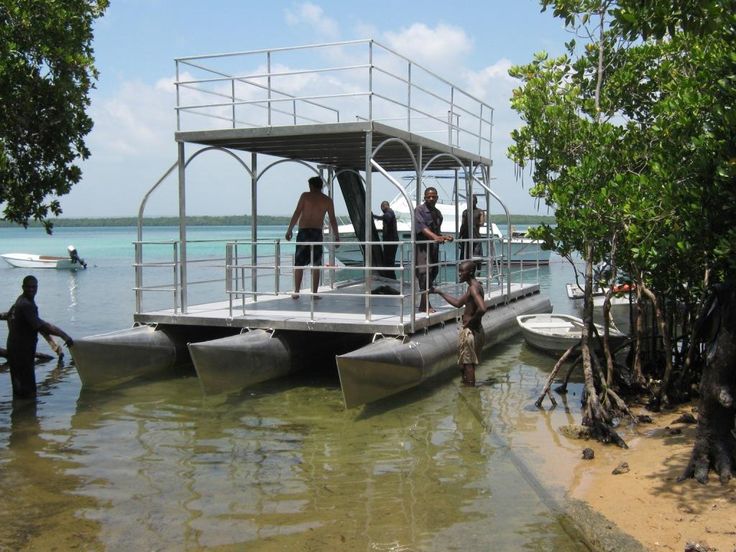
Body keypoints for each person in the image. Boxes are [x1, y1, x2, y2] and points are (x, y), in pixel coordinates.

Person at [5, 275, 74, 398]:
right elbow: (41, 326)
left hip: (17, 348)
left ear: (37, 288)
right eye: (28, 287)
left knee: (20, 386)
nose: (31, 289)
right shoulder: (25, 304)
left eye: (34, 287)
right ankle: (27, 414)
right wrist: (64, 335)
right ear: (23, 287)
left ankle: (20, 414)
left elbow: (17, 318)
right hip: (21, 350)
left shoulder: (21, 301)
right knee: (28, 389)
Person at [430, 261, 487, 386]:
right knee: (464, 365)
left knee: (467, 365)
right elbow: (458, 303)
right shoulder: (475, 286)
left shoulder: (473, 288)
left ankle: (470, 394)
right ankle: (467, 388)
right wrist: (440, 292)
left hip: (470, 332)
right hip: (476, 330)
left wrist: (469, 323)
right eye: (459, 272)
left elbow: (482, 308)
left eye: (462, 272)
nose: (459, 274)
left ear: (470, 272)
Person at [285, 176, 340, 298]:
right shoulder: (327, 200)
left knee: (299, 263)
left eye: (310, 186)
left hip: (304, 232)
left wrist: (289, 229)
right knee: (316, 263)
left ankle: (297, 292)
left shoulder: (305, 196)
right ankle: (314, 293)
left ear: (312, 186)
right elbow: (332, 219)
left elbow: (297, 212)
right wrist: (337, 236)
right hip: (316, 232)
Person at [414, 186, 453, 312]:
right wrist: (435, 237)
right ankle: (424, 304)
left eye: (434, 196)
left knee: (433, 271)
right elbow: (423, 228)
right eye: (428, 196)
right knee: (424, 273)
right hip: (422, 248)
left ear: (437, 198)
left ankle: (423, 303)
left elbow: (436, 232)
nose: (431, 198)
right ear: (424, 198)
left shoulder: (438, 213)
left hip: (433, 248)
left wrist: (443, 237)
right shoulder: (419, 210)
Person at [372, 200, 399, 278]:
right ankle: (390, 276)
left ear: (383, 206)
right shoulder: (389, 212)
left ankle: (391, 277)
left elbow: (387, 217)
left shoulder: (389, 212)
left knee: (389, 261)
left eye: (383, 207)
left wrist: (374, 216)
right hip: (390, 241)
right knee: (388, 261)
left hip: (391, 241)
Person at [458, 195, 485, 263]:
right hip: (466, 237)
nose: (471, 203)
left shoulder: (480, 211)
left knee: (477, 258)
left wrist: (473, 222)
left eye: (473, 201)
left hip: (476, 237)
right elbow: (463, 225)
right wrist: (459, 237)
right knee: (464, 258)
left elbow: (482, 223)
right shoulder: (465, 212)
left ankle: (478, 272)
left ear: (476, 202)